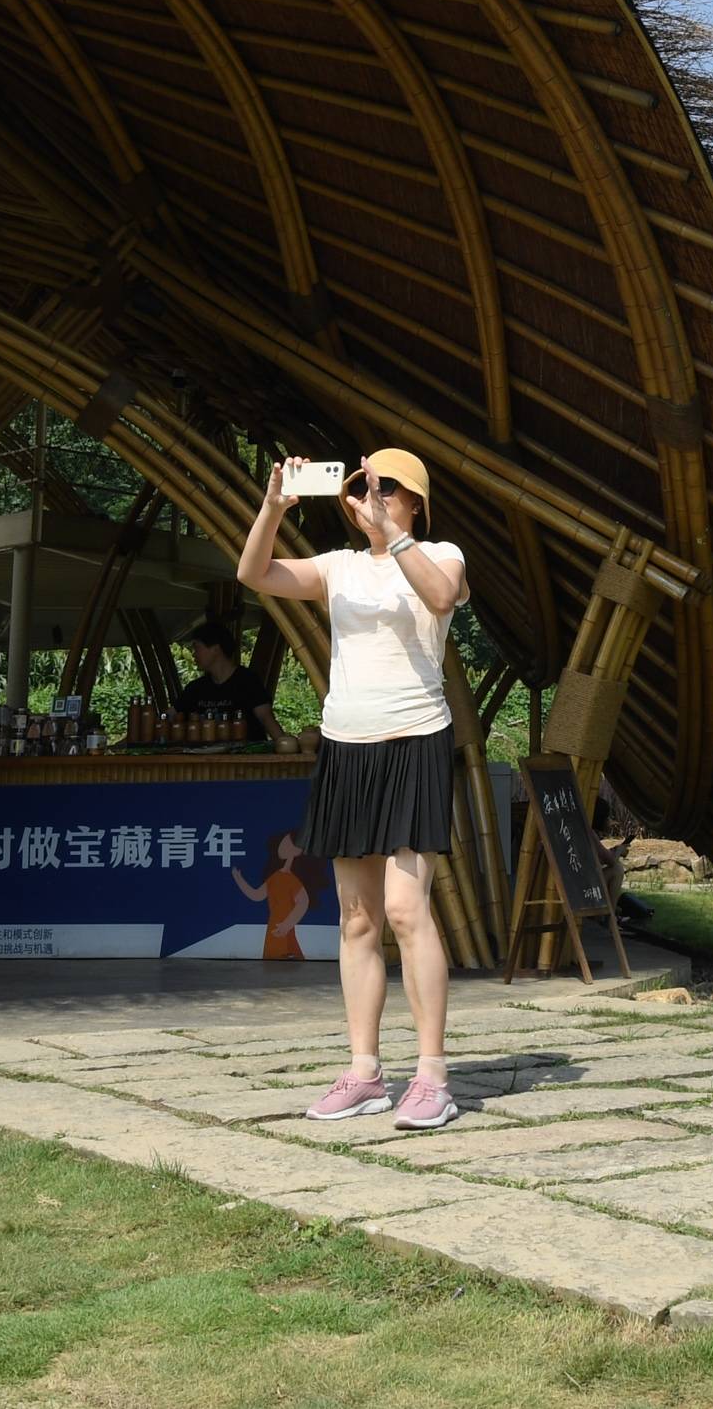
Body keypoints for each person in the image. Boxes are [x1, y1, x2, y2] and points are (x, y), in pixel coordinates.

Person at [238, 446, 466, 1130]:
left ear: (417, 502)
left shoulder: (441, 552)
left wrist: (393, 535)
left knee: (404, 907)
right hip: (345, 748)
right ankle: (365, 1070)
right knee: (357, 918)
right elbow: (253, 572)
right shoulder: (337, 568)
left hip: (415, 742)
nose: (375, 495)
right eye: (367, 486)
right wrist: (275, 504)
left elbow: (442, 596)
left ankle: (432, 1076)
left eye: (390, 488)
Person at [180, 610, 283, 746]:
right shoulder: (195, 689)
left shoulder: (248, 681)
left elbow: (265, 717)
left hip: (245, 761)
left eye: (197, 648)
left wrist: (285, 744)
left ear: (216, 649)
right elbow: (170, 717)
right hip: (205, 762)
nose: (194, 654)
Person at [230, 828, 315, 960]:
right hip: (274, 927)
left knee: (284, 962)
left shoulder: (292, 880)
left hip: (282, 929)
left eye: (288, 843)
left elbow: (303, 902)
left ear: (297, 851)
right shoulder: (275, 877)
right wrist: (239, 879)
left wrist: (287, 924)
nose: (283, 844)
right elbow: (257, 895)